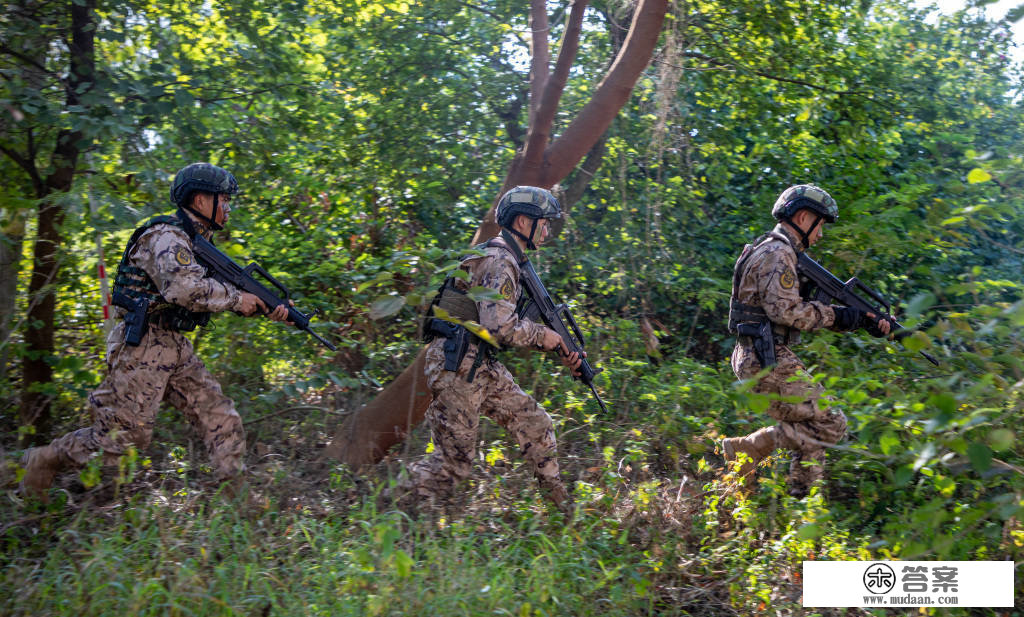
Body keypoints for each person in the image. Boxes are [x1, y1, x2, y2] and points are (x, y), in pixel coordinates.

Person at [19, 163, 290, 501]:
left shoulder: (196, 243)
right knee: (122, 440)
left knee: (219, 414)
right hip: (143, 343)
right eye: (224, 198)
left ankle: (237, 498)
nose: (229, 206)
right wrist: (237, 298)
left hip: (173, 343)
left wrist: (263, 307)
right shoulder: (166, 236)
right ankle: (42, 460)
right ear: (201, 199)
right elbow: (182, 289)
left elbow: (211, 293)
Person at [397, 186, 583, 514]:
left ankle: (560, 510)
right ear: (524, 222)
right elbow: (499, 326)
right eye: (543, 222)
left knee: (536, 424)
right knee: (453, 465)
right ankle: (389, 510)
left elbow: (503, 327)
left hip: (477, 363)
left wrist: (555, 345)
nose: (547, 229)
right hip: (459, 366)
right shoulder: (500, 261)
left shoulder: (506, 258)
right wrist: (547, 337)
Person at [722, 184, 891, 498]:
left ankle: (794, 491)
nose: (821, 234)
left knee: (819, 424)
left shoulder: (772, 249)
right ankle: (790, 489)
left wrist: (859, 320)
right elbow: (786, 312)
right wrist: (840, 316)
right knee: (831, 422)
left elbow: (796, 308)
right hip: (765, 357)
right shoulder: (779, 252)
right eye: (821, 224)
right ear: (803, 217)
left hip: (759, 354)